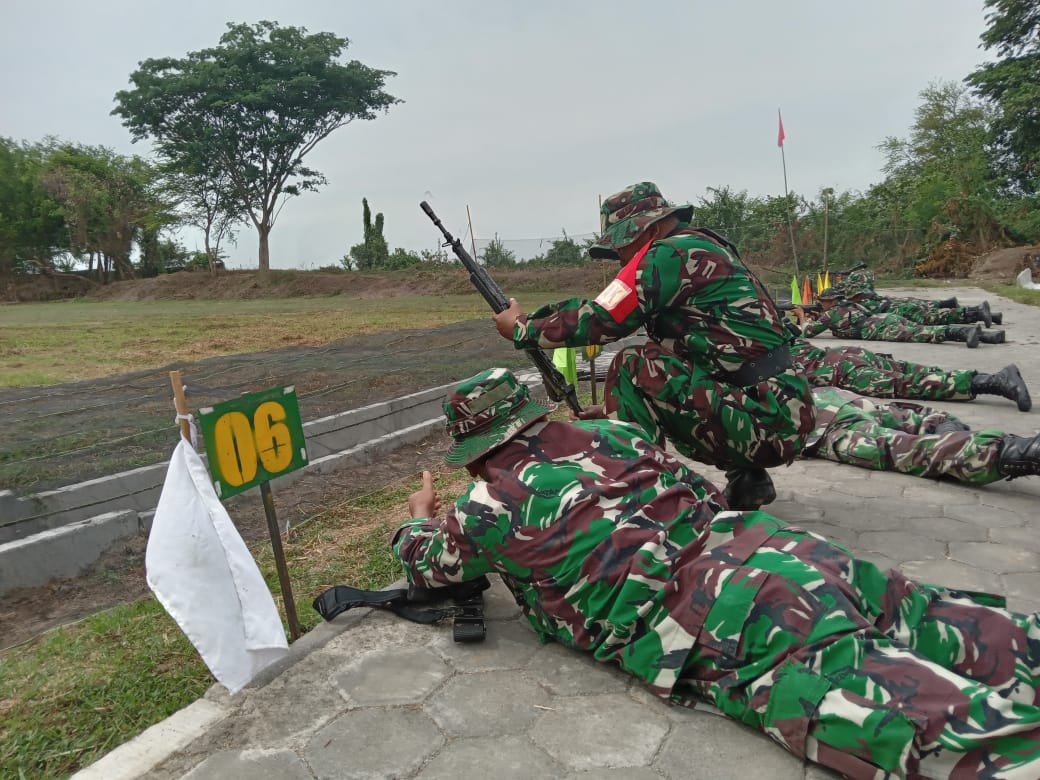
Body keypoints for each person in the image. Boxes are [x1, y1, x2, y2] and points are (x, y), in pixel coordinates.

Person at [394, 368, 1040, 779]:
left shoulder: (486, 507)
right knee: (958, 626)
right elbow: (697, 491)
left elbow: (431, 565)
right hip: (784, 548)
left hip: (735, 622)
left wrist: (420, 518)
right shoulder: (613, 430)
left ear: (475, 454)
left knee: (931, 730)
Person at [492, 181, 815, 510]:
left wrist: (523, 328)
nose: (619, 257)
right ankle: (748, 478)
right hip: (778, 411)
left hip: (766, 417)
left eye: (622, 244)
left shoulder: (670, 253)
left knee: (633, 364)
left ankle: (641, 498)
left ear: (651, 230)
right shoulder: (700, 246)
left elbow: (603, 319)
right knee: (665, 361)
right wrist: (615, 410)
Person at [806, 384, 1040, 483]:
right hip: (835, 399)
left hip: (820, 425)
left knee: (906, 451)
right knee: (916, 420)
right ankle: (948, 431)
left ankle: (1021, 453)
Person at [789, 332, 1032, 411]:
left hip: (842, 371)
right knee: (917, 372)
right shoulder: (774, 333)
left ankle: (994, 382)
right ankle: (990, 376)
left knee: (909, 383)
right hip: (847, 353)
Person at [797, 287, 983, 347]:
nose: (821, 304)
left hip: (878, 327)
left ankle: (965, 333)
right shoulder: (847, 305)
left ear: (830, 300)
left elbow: (807, 332)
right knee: (923, 327)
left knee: (923, 333)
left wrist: (801, 317)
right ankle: (977, 331)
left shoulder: (831, 314)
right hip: (884, 319)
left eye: (823, 301)